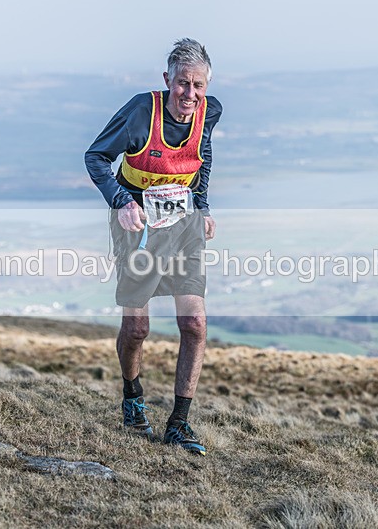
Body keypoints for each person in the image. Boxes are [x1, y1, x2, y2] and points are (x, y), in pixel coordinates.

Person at [84, 38, 222, 456]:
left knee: (194, 324)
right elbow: (95, 157)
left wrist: (203, 205)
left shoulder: (209, 112)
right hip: (138, 225)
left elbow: (203, 156)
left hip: (184, 224)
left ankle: (179, 425)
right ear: (168, 80)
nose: (190, 95)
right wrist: (122, 201)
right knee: (138, 328)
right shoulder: (141, 111)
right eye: (183, 84)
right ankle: (132, 396)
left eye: (198, 85)